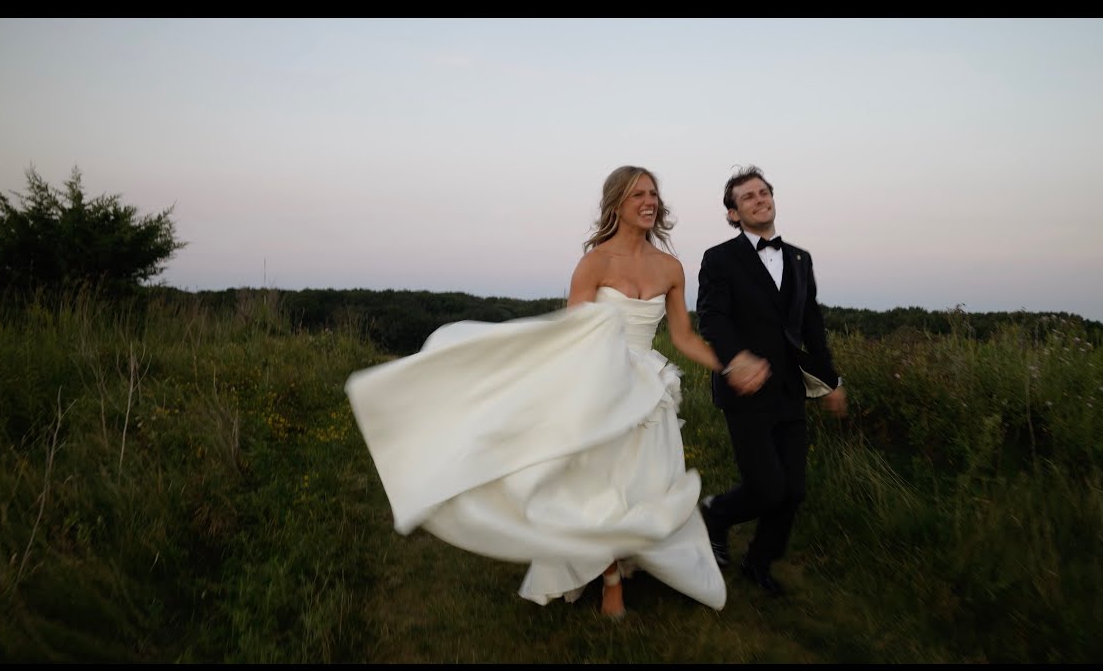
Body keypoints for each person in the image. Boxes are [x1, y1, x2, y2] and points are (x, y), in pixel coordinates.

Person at [346, 165, 758, 619]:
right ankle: (610, 578)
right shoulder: (594, 263)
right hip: (601, 382)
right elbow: (570, 334)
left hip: (650, 390)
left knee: (646, 484)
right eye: (638, 193)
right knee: (596, 486)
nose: (649, 201)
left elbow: (682, 336)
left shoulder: (671, 267)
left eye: (653, 193)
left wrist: (730, 364)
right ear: (617, 203)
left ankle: (627, 553)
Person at [696, 165, 848, 598]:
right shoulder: (719, 258)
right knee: (766, 487)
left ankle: (759, 562)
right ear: (732, 213)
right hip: (744, 392)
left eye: (764, 192)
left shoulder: (800, 258)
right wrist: (737, 359)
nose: (760, 199)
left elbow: (811, 323)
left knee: (793, 491)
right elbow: (712, 317)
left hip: (789, 391)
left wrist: (831, 379)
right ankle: (715, 515)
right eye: (748, 196)